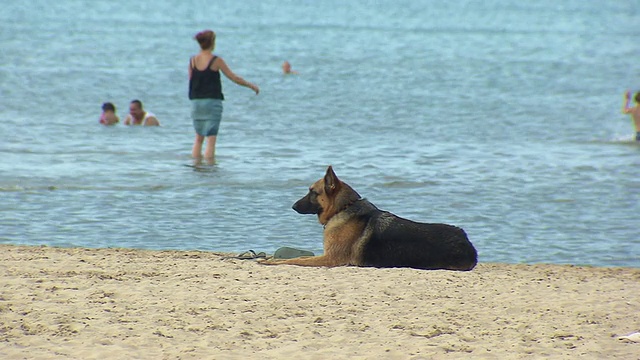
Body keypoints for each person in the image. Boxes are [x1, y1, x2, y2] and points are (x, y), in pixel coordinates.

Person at [189, 29, 259, 161]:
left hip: (196, 102)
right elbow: (234, 78)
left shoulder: (192, 60)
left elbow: (191, 80)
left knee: (198, 138)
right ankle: (210, 169)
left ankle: (196, 167)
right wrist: (250, 85)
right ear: (212, 43)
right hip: (212, 101)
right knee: (211, 139)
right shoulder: (216, 60)